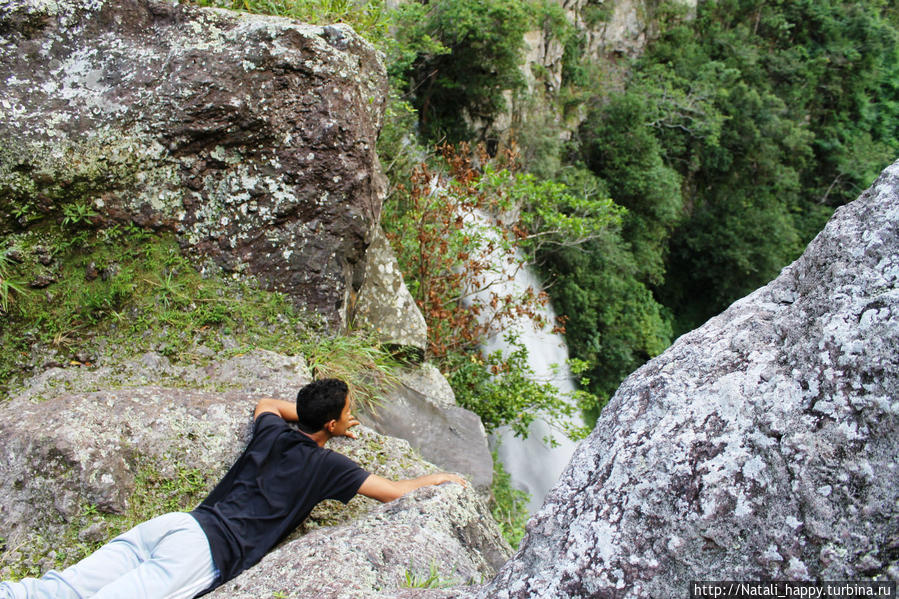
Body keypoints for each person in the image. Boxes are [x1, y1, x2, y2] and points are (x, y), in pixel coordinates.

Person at [0, 378, 466, 599]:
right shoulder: (329, 468)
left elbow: (267, 403)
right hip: (206, 553)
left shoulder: (272, 431)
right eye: (348, 414)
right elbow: (396, 490)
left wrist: (307, 416)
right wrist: (442, 478)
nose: (352, 418)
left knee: (58, 588)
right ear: (331, 424)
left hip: (178, 525)